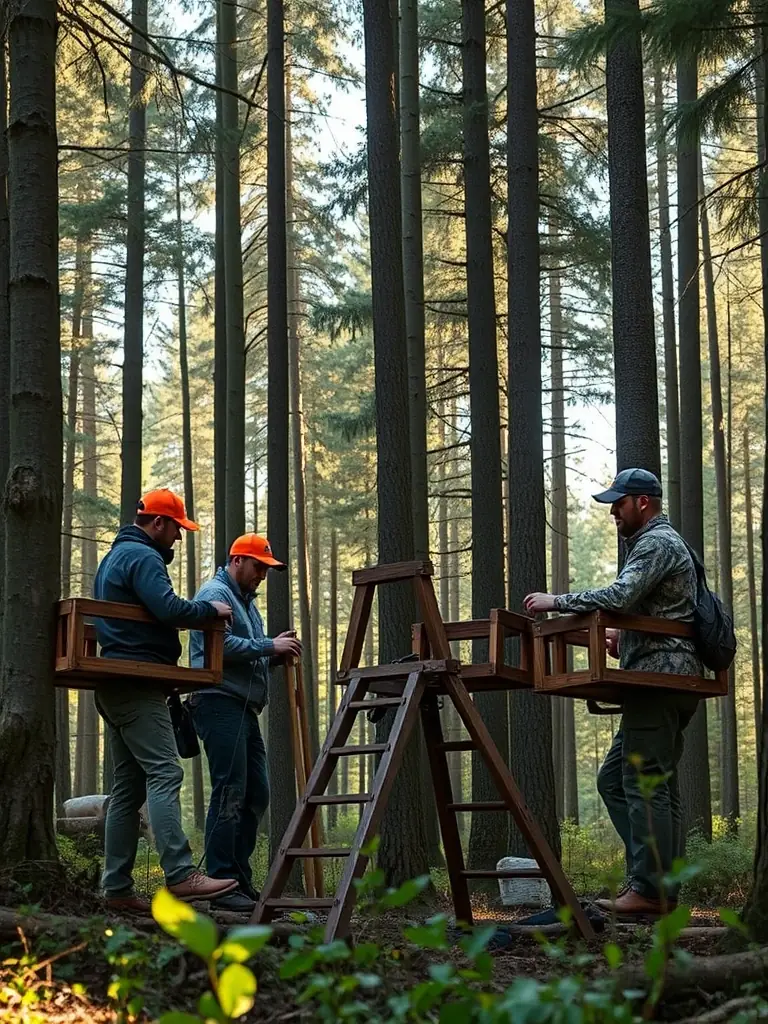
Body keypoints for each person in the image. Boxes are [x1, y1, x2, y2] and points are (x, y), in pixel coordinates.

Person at [524, 468, 702, 917]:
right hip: (662, 676)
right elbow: (662, 608)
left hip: (660, 680)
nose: (612, 514)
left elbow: (621, 596)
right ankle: (659, 885)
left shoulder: (657, 541)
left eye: (618, 504)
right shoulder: (657, 543)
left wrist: (556, 601)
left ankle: (649, 889)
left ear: (643, 502)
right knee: (631, 782)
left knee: (646, 786)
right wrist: (625, 642)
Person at [93, 488, 238, 912]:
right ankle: (180, 874)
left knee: (127, 790)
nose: (178, 537)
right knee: (165, 773)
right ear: (159, 523)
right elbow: (168, 607)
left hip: (116, 683)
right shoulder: (143, 556)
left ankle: (117, 889)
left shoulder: (116, 556)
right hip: (136, 681)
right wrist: (211, 610)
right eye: (177, 528)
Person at [188, 533, 302, 913]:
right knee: (230, 791)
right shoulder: (214, 595)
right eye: (258, 567)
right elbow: (221, 648)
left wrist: (272, 648)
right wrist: (270, 646)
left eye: (267, 570)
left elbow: (246, 652)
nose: (262, 576)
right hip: (218, 701)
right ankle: (221, 884)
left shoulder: (247, 604)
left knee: (257, 793)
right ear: (237, 560)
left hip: (243, 707)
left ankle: (238, 880)